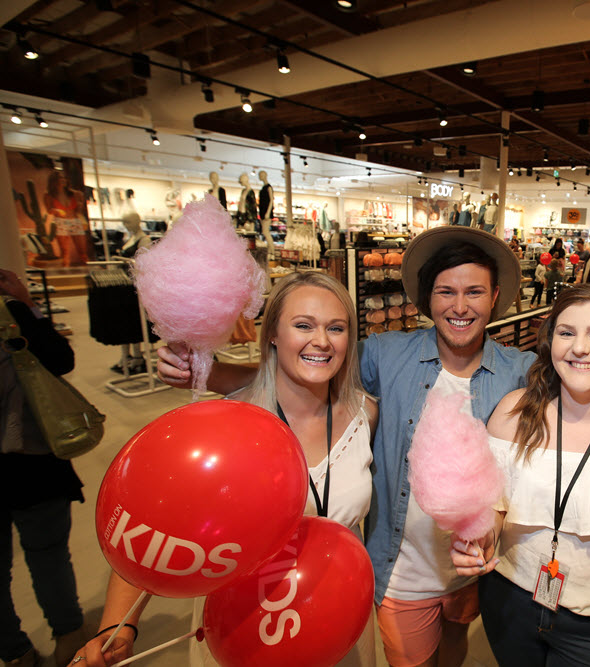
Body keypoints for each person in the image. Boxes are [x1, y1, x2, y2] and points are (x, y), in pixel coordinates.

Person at [155, 226, 590, 667]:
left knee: (456, 645)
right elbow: (307, 371)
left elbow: (585, 400)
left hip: (487, 568)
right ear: (426, 300)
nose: (459, 306)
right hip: (402, 566)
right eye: (445, 291)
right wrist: (205, 370)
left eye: (474, 292)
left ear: (495, 300)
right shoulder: (384, 354)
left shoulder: (519, 372)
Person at [71, 271, 379, 667]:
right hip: (238, 630)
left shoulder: (364, 414)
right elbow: (158, 530)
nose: (321, 341)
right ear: (272, 334)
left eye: (336, 328)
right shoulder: (224, 424)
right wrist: (116, 628)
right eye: (303, 325)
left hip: (338, 618)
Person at [451, 285, 590, 666]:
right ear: (550, 340)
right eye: (566, 332)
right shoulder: (511, 415)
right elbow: (498, 507)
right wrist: (480, 538)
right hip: (509, 600)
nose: (580, 348)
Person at [1, 268, 87, 667]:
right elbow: (60, 358)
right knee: (49, 555)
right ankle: (69, 637)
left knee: (47, 553)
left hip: (31, 462)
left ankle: (15, 651)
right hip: (31, 460)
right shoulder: (11, 313)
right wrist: (28, 306)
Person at [44, 171, 90, 267]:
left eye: (64, 178)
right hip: (60, 222)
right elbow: (49, 210)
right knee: (65, 252)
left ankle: (87, 271)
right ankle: (66, 272)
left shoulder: (75, 194)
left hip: (75, 221)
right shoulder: (49, 195)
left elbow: (80, 210)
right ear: (54, 181)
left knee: (83, 251)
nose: (63, 180)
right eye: (60, 178)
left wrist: (80, 206)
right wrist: (56, 211)